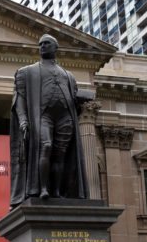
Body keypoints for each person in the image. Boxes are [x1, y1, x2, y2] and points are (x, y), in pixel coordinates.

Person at [10, 34, 89, 204]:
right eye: (40, 44)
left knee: (60, 155)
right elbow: (19, 100)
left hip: (65, 116)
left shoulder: (69, 76)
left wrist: (80, 102)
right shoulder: (26, 72)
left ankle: (57, 191)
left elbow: (75, 103)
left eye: (47, 43)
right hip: (43, 115)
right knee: (45, 146)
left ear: (55, 47)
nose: (43, 46)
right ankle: (43, 188)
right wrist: (23, 120)